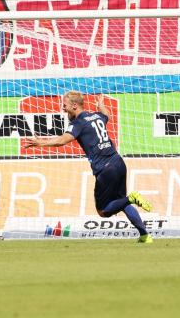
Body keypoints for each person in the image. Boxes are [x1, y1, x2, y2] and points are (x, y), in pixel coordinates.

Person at [23, 91, 154, 243]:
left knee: (104, 211)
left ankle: (132, 198)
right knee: (121, 201)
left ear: (74, 105)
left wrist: (40, 143)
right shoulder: (96, 116)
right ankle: (144, 235)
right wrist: (101, 107)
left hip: (105, 170)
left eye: (64, 105)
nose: (62, 108)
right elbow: (107, 115)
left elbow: (62, 140)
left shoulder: (78, 123)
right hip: (118, 162)